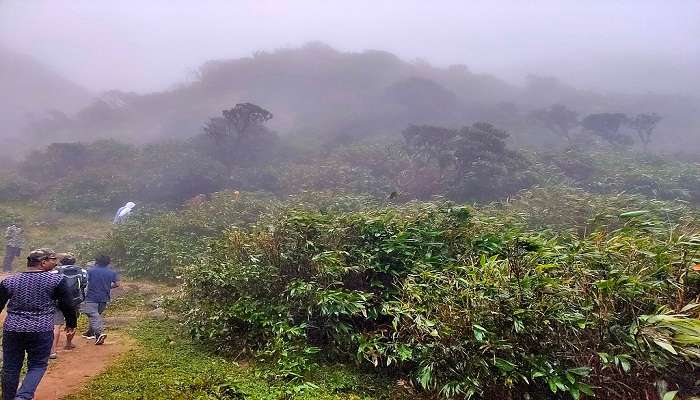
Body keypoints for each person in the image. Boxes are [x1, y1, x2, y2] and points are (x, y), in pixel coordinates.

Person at [0, 248, 77, 400]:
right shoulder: (56, 280)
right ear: (43, 263)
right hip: (41, 329)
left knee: (10, 366)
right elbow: (67, 305)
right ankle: (23, 396)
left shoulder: (10, 281)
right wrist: (71, 323)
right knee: (37, 365)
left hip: (13, 329)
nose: (55, 263)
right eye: (53, 260)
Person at [50, 253, 88, 359]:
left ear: (61, 261)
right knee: (71, 322)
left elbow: (51, 285)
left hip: (58, 301)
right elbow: (84, 284)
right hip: (74, 301)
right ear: (74, 261)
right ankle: (68, 343)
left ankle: (52, 351)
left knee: (56, 325)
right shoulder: (82, 271)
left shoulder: (54, 271)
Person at [81, 255, 119, 345]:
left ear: (96, 262)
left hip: (91, 297)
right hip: (104, 298)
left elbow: (84, 282)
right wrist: (108, 287)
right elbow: (117, 284)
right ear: (108, 262)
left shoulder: (90, 271)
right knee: (95, 315)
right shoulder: (111, 272)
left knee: (93, 315)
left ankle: (99, 334)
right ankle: (90, 332)